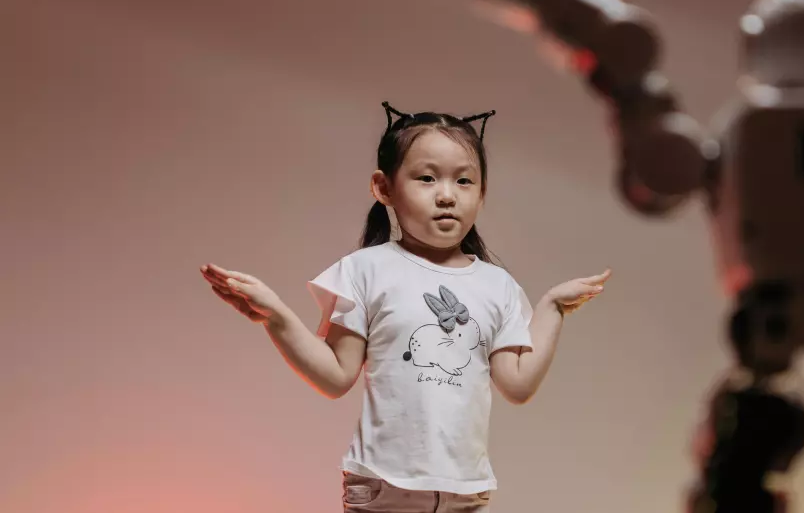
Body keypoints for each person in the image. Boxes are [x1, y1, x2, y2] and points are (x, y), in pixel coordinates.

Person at [200, 103, 610, 512]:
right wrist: (275, 316)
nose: (447, 195)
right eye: (427, 178)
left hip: (467, 493)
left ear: (482, 194)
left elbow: (517, 386)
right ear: (384, 188)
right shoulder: (365, 270)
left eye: (464, 181)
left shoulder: (497, 286)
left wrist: (552, 308)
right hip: (382, 489)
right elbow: (335, 377)